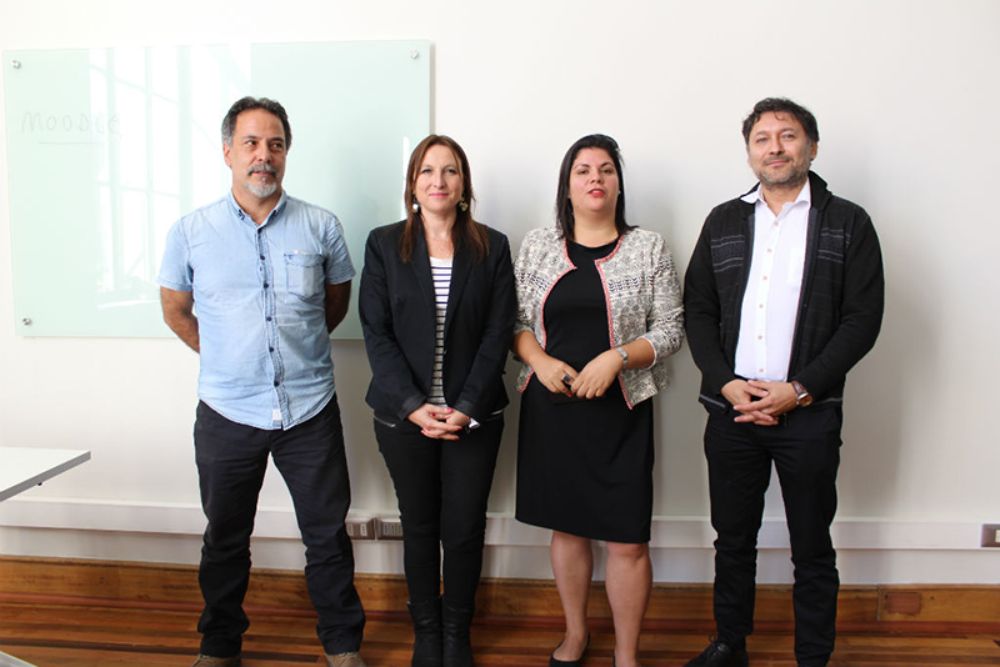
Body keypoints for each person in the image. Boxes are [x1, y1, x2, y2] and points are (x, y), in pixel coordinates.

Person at [158, 96, 367, 667]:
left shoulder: (321, 225)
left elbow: (335, 302)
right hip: (227, 411)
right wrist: (225, 355)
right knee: (225, 538)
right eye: (251, 143)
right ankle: (219, 648)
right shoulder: (191, 231)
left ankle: (343, 647)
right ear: (227, 151)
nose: (263, 156)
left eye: (275, 144)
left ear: (286, 153)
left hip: (309, 409)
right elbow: (175, 308)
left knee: (327, 536)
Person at [682, 98, 884, 667]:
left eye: (787, 135)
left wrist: (799, 389)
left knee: (812, 545)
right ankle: (730, 644)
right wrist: (724, 383)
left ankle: (813, 655)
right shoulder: (724, 220)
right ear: (749, 152)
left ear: (811, 147)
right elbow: (697, 309)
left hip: (810, 413)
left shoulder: (848, 222)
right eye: (762, 138)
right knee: (733, 538)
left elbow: (862, 320)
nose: (775, 147)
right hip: (733, 411)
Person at [513, 134, 684, 667]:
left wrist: (618, 359)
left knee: (628, 540)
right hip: (553, 409)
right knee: (568, 529)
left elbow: (672, 329)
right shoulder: (538, 245)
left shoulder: (648, 246)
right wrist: (539, 363)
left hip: (622, 412)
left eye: (606, 170)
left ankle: (627, 654)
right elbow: (514, 323)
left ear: (618, 184)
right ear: (567, 186)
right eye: (583, 169)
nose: (595, 178)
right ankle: (576, 634)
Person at [359, 135, 516, 667]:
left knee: (465, 526)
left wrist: (466, 406)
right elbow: (375, 333)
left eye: (450, 171)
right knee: (420, 524)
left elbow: (499, 332)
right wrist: (411, 404)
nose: (439, 181)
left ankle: (457, 632)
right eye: (428, 171)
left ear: (464, 184)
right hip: (404, 418)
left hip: (474, 417)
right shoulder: (384, 244)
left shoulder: (492, 247)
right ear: (413, 183)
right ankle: (426, 631)